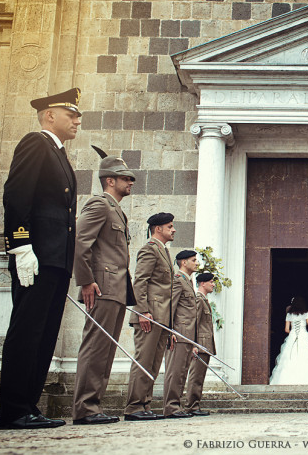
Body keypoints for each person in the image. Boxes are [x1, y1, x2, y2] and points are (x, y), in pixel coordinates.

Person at [0, 88, 81, 430]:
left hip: (56, 260)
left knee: (45, 335)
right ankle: (14, 409)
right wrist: (21, 245)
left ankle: (28, 406)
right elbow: (16, 194)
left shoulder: (59, 152)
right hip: (37, 256)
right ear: (50, 115)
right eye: (71, 114)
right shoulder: (36, 142)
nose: (77, 120)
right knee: (27, 332)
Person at [71, 149, 136, 425]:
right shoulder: (99, 205)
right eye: (125, 178)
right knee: (95, 348)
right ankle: (85, 408)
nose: (130, 183)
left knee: (105, 351)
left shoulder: (116, 209)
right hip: (102, 287)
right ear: (110, 180)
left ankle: (93, 406)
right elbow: (80, 243)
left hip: (116, 289)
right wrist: (86, 280)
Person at [124, 213, 175, 421]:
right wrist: (142, 311)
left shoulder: (163, 251)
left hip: (161, 318)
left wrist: (170, 326)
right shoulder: (149, 249)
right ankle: (133, 407)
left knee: (153, 364)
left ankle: (144, 405)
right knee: (143, 361)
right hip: (149, 315)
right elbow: (140, 281)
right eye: (169, 226)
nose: (173, 230)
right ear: (157, 229)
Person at [163, 250, 199, 418]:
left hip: (187, 334)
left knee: (182, 371)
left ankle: (176, 406)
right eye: (193, 260)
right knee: (175, 371)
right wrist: (170, 331)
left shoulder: (188, 281)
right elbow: (171, 306)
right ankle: (171, 407)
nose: (197, 263)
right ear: (183, 262)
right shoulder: (178, 280)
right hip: (179, 332)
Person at [269, 296, 308, 385]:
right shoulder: (306, 313)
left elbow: (286, 329)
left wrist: (293, 333)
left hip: (292, 336)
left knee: (289, 357)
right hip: (304, 336)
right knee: (306, 357)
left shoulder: (289, 315)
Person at [183, 272, 217, 416]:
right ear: (202, 283)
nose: (213, 284)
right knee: (195, 377)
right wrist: (193, 345)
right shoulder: (198, 299)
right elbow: (193, 323)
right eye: (211, 282)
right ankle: (191, 406)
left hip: (205, 344)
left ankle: (194, 405)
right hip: (199, 344)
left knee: (199, 376)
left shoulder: (204, 299)